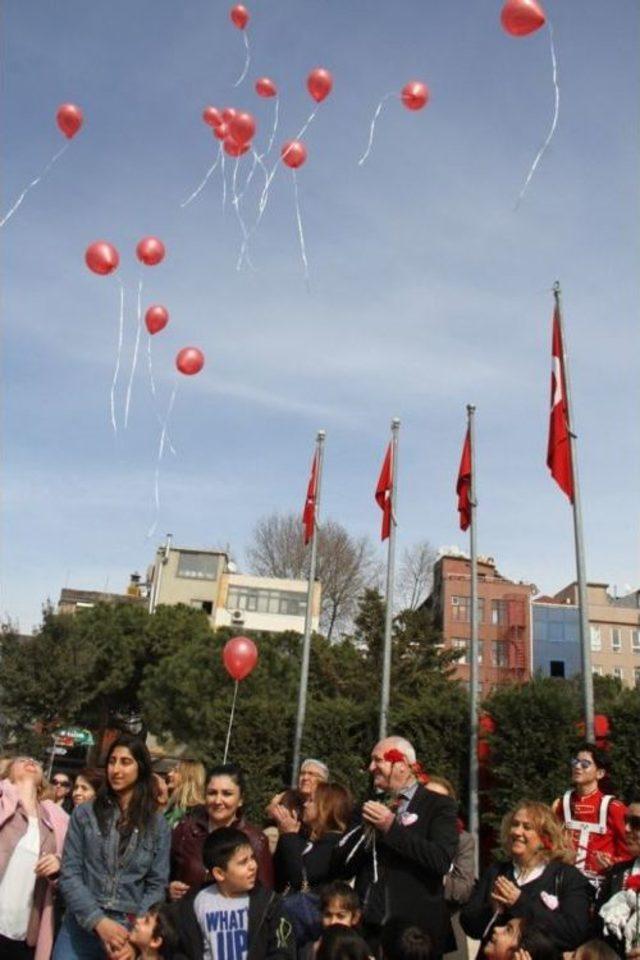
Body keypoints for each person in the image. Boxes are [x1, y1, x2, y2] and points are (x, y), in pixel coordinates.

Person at [333, 737, 458, 958]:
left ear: (401, 765)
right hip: (372, 929)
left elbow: (440, 860)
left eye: (377, 760)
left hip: (416, 935)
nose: (371, 767)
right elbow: (343, 865)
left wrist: (391, 828)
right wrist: (365, 830)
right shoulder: (367, 807)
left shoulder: (438, 805)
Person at [53, 734, 171, 960]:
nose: (116, 769)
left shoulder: (158, 825)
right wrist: (98, 921)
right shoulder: (85, 814)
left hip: (126, 932)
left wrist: (135, 941)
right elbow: (70, 874)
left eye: (125, 762)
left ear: (141, 768)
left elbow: (156, 885)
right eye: (112, 761)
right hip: (81, 924)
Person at [460, 800, 593, 954]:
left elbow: (574, 933)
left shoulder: (567, 877)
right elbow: (469, 925)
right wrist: (492, 909)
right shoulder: (497, 871)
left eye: (527, 827)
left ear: (546, 837)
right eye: (515, 824)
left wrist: (520, 903)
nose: (517, 832)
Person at [171, 826, 295, 960]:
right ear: (219, 873)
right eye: (243, 862)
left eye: (252, 858)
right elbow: (180, 951)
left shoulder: (270, 903)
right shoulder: (193, 904)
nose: (253, 866)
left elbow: (283, 951)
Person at [169, 764, 273, 901]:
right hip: (188, 917)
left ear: (241, 799)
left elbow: (264, 896)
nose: (218, 801)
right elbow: (162, 876)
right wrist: (168, 889)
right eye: (212, 793)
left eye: (227, 794)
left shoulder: (255, 840)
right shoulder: (185, 831)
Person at [0, 755, 69, 960]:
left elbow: (70, 867)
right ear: (9, 774)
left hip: (24, 931)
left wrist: (58, 865)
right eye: (21, 760)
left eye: (35, 762)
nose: (30, 761)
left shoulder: (57, 819)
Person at [552, 744, 630, 885]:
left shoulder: (613, 807)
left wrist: (612, 863)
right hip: (564, 881)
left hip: (601, 883)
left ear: (600, 773)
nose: (577, 767)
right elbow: (549, 842)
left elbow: (629, 850)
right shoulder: (562, 804)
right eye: (575, 762)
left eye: (585, 764)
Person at [425, 777, 475, 960]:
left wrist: (436, 877)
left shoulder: (462, 840)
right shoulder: (404, 835)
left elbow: (463, 890)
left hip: (446, 927)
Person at [274, 783, 353, 893]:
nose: (305, 805)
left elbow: (301, 879)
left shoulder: (333, 845)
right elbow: (279, 877)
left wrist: (289, 836)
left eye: (311, 801)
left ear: (325, 808)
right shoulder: (311, 840)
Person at [596, 797, 640, 959]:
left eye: (636, 823)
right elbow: (598, 932)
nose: (626, 828)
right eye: (626, 821)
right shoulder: (617, 873)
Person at [164, 761, 206, 829]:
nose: (170, 774)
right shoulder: (172, 806)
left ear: (188, 777)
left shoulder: (199, 812)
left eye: (176, 771)